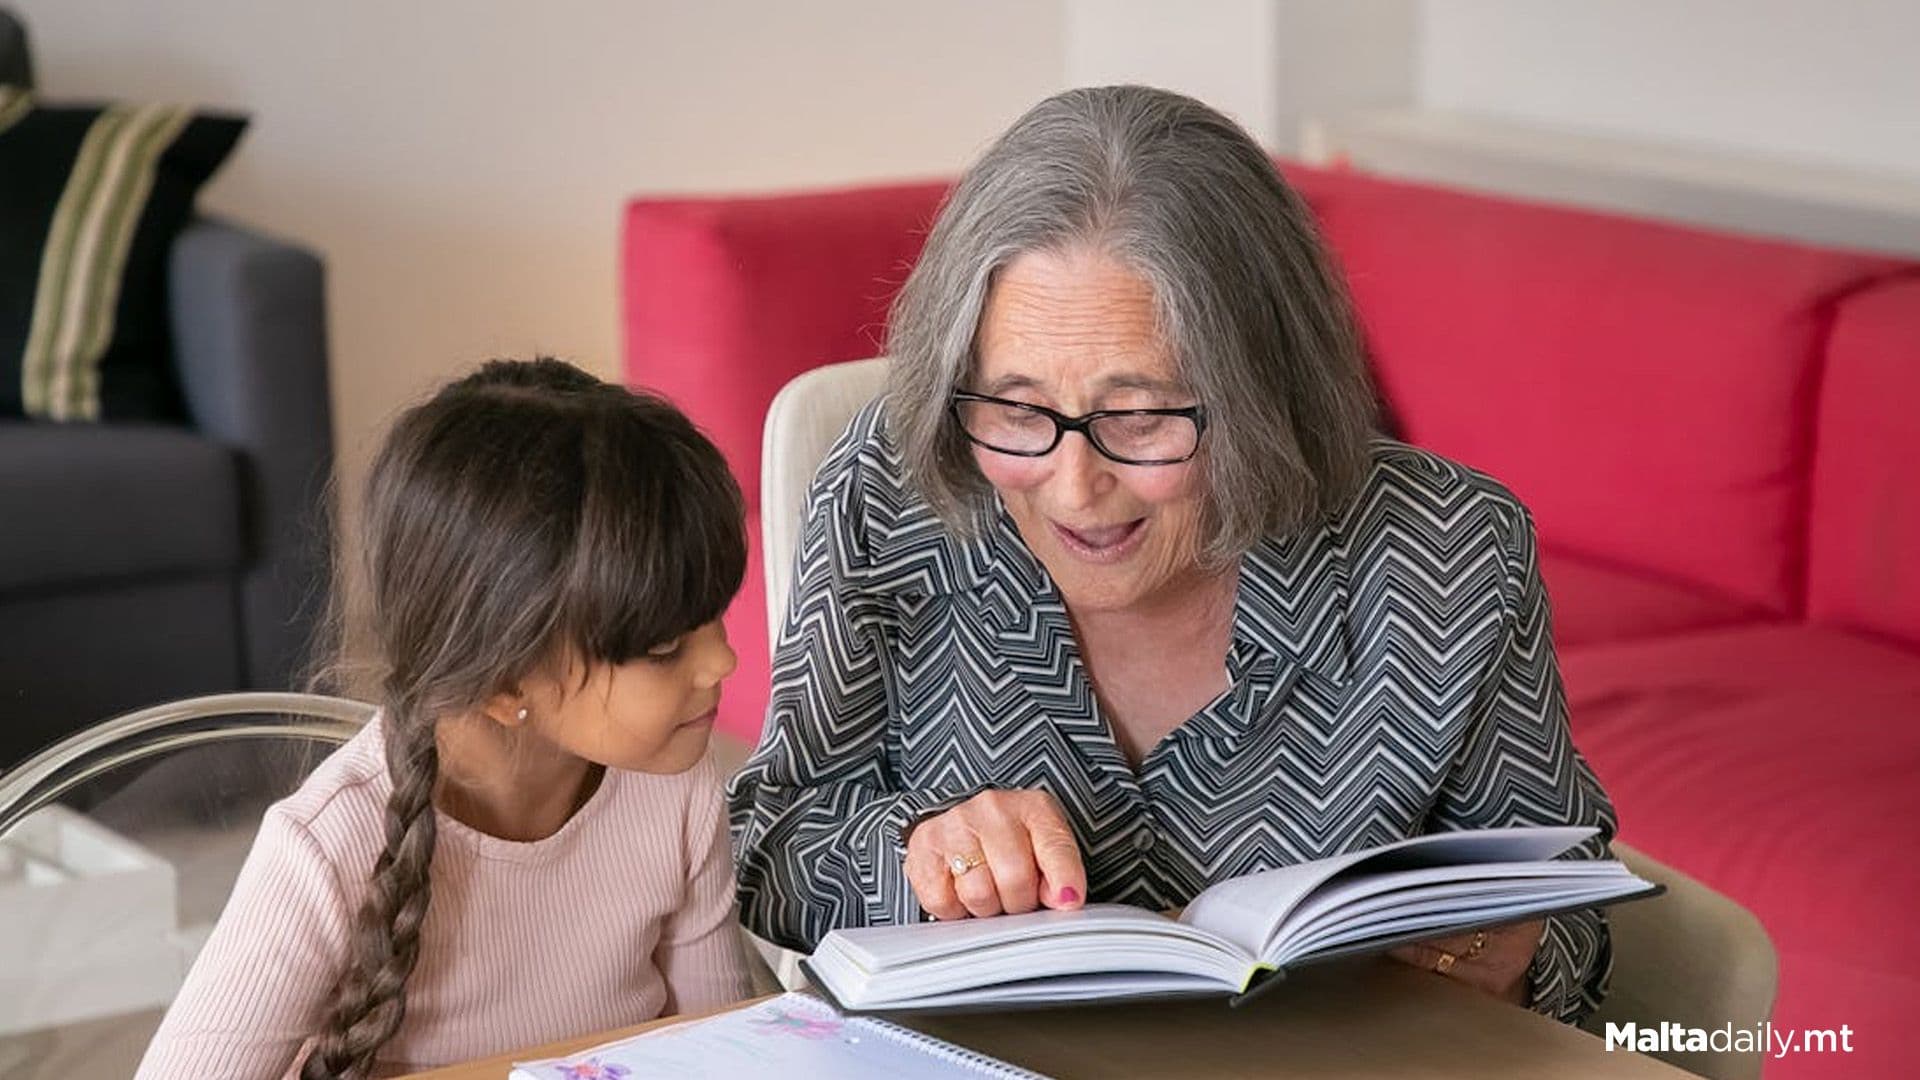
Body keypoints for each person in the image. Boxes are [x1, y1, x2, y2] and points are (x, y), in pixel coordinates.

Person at [730, 86, 1620, 1023]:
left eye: (1143, 418)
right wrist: (915, 850)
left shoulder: (1448, 552)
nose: (1073, 488)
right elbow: (772, 840)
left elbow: (1566, 895)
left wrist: (1504, 954)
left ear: (1263, 395)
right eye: (1018, 411)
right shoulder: (895, 489)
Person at [138, 359, 754, 1079]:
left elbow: (727, 1055)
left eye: (714, 615)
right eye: (663, 647)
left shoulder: (674, 782)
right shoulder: (327, 847)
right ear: (501, 681)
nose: (723, 662)